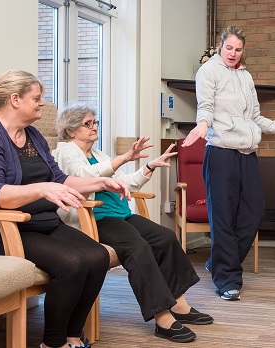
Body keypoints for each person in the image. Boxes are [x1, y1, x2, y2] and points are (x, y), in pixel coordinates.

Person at [0, 70, 135, 348]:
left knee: (96, 256)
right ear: (15, 100)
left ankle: (72, 335)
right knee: (72, 264)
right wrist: (41, 189)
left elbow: (57, 178)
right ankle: (53, 343)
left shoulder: (32, 135)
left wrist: (101, 181)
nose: (42, 103)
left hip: (37, 222)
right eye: (37, 98)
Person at [52, 104, 213, 343]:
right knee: (137, 246)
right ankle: (162, 317)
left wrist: (149, 167)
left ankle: (179, 304)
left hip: (119, 214)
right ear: (71, 130)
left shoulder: (99, 155)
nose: (95, 126)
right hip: (95, 218)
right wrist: (124, 157)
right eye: (88, 123)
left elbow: (126, 182)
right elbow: (83, 177)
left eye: (95, 122)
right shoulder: (65, 152)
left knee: (165, 237)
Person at [182, 26, 275, 301]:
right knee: (223, 218)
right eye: (229, 48)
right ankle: (227, 280)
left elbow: (255, 118)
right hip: (221, 153)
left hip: (248, 154)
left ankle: (217, 262)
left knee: (253, 212)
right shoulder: (208, 72)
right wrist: (203, 125)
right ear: (219, 46)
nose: (233, 53)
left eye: (238, 50)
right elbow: (206, 107)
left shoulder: (246, 76)